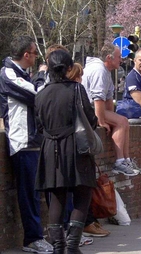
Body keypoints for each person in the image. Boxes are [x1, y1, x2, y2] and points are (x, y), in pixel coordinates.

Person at [35, 49, 97, 254]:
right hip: (76, 147)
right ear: (69, 68)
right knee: (82, 194)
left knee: (57, 197)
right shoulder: (77, 90)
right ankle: (71, 246)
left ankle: (58, 247)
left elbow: (39, 126)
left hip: (50, 149)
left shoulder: (41, 94)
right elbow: (91, 120)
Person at [0, 36, 53, 253]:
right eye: (34, 52)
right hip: (21, 142)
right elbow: (37, 96)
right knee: (28, 192)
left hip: (34, 141)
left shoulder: (22, 73)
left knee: (35, 191)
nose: (36, 57)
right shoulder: (8, 73)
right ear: (26, 55)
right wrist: (42, 77)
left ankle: (38, 235)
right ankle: (32, 239)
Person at [82, 44, 141, 176]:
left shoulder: (105, 71)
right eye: (119, 57)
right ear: (109, 58)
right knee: (121, 122)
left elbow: (108, 99)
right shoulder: (99, 70)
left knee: (122, 121)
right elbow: (97, 98)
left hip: (93, 108)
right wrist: (101, 120)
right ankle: (119, 162)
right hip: (88, 109)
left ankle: (126, 160)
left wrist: (111, 117)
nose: (121, 60)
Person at [66, 62, 110, 241]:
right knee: (83, 190)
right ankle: (79, 230)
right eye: (80, 76)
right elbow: (90, 116)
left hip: (61, 148)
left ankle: (73, 232)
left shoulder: (50, 90)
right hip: (80, 147)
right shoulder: (77, 90)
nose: (82, 79)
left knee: (65, 193)